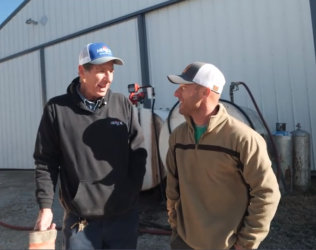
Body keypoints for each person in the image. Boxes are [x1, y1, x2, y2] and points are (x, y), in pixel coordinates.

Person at [32, 42, 147, 249]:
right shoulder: (57, 110)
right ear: (82, 71)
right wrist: (45, 207)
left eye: (111, 71)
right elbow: (45, 162)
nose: (108, 78)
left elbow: (138, 153)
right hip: (81, 222)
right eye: (101, 71)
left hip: (123, 218)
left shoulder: (122, 104)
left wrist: (130, 192)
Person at [165, 62, 281, 249]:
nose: (176, 94)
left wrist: (245, 242)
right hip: (183, 242)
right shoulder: (178, 136)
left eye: (184, 87)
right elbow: (172, 185)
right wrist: (175, 225)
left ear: (205, 92)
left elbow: (266, 194)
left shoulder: (243, 139)